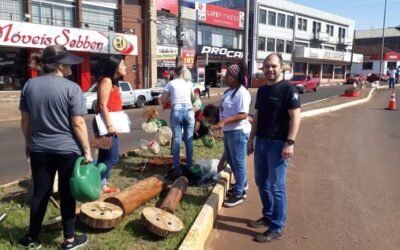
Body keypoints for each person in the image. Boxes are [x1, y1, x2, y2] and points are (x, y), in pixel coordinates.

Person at [19, 45, 92, 249]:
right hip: (67, 150)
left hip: (39, 149)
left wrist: (27, 143)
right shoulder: (72, 88)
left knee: (40, 192)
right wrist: (87, 150)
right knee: (67, 194)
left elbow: (25, 120)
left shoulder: (29, 85)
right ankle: (69, 240)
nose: (72, 67)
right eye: (68, 63)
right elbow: (78, 123)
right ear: (60, 65)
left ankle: (32, 238)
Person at [247, 53, 301, 242]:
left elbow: (295, 117)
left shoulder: (288, 89)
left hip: (278, 145)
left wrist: (290, 142)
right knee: (262, 182)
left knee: (277, 187)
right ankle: (268, 215)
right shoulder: (262, 91)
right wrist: (251, 139)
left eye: (274, 66)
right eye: (267, 66)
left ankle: (277, 227)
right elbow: (257, 117)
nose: (270, 69)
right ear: (263, 68)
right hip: (261, 142)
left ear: (281, 67)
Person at [211, 62, 251, 208]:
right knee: (232, 161)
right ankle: (242, 184)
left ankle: (240, 193)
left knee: (239, 162)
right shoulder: (229, 91)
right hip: (229, 131)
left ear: (234, 77)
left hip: (238, 132)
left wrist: (224, 121)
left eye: (227, 75)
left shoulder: (242, 93)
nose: (224, 76)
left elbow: (243, 114)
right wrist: (217, 122)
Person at [95, 55, 126, 194]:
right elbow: (102, 105)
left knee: (103, 156)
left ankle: (102, 186)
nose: (125, 67)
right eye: (122, 65)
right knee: (113, 158)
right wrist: (109, 126)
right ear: (115, 66)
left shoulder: (113, 83)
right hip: (104, 126)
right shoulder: (106, 81)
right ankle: (94, 178)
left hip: (108, 124)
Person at [161, 65, 195, 179]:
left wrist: (171, 100)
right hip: (190, 110)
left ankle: (176, 166)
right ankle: (189, 165)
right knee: (189, 139)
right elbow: (193, 97)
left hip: (177, 110)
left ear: (175, 73)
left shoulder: (171, 83)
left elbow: (163, 99)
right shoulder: (189, 83)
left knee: (176, 139)